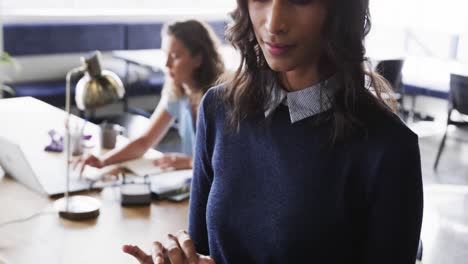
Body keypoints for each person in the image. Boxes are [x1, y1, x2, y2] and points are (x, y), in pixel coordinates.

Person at [123, 0, 423, 263]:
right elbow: (202, 249)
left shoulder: (388, 146)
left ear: (339, 8)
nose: (274, 23)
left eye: (301, 0)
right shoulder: (217, 108)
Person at [78, 20, 225, 172]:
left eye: (175, 56)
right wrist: (103, 161)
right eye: (165, 55)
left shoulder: (222, 99)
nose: (167, 64)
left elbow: (228, 163)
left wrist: (189, 162)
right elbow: (144, 142)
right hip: (194, 180)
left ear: (198, 59)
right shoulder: (176, 93)